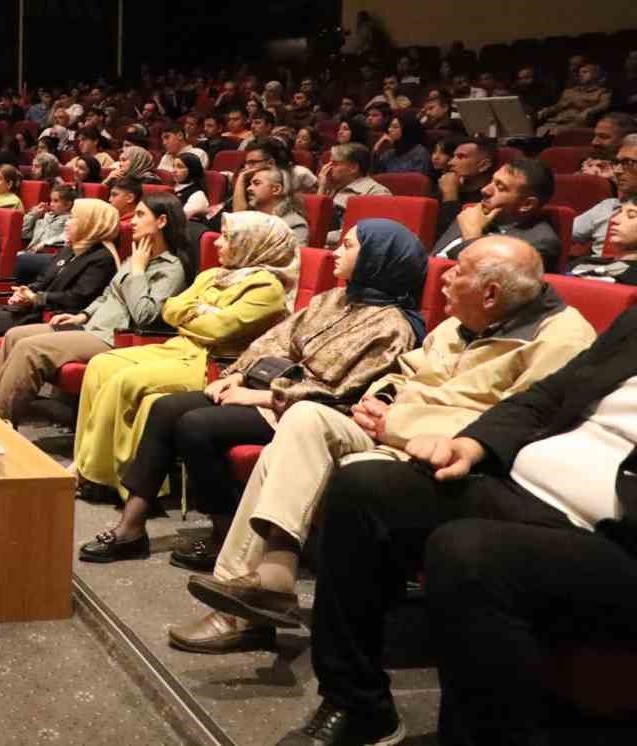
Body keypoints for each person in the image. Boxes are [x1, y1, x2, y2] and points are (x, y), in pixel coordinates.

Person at [173, 236, 596, 659]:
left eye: (458, 271)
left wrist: (397, 423)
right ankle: (272, 577)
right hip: (390, 428)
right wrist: (382, 399)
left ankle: (246, 613)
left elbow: (515, 425)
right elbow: (406, 372)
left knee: (328, 468)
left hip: (446, 455)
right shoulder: (461, 322)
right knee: (303, 419)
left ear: (490, 293)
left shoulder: (560, 341)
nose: (443, 277)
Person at [274, 306, 637, 746]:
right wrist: (472, 444)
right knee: (364, 487)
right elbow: (550, 394)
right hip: (523, 485)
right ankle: (357, 704)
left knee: (468, 551)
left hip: (612, 535)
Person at [91, 220, 426, 580]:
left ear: (377, 258)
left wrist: (258, 395)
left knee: (196, 426)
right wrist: (237, 373)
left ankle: (222, 533)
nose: (335, 253)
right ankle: (132, 525)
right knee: (166, 408)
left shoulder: (392, 326)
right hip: (269, 388)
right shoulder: (333, 299)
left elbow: (341, 391)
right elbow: (276, 340)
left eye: (348, 246)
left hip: (312, 411)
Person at [72, 211, 297, 504]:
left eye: (228, 237)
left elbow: (219, 330)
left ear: (252, 243)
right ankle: (86, 464)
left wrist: (195, 314)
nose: (217, 243)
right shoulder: (213, 275)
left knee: (126, 381)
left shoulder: (267, 288)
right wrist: (202, 314)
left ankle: (103, 477)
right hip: (179, 346)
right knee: (101, 364)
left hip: (214, 364)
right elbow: (170, 308)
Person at [0, 199, 120, 395]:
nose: (67, 222)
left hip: (55, 315)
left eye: (74, 218)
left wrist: (36, 297)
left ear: (91, 224)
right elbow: (43, 279)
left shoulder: (102, 258)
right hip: (34, 307)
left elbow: (78, 298)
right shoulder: (70, 249)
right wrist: (24, 291)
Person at [432, 158, 560, 270]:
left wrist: (472, 237)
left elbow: (487, 282)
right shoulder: (473, 213)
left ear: (526, 204)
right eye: (491, 181)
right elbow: (433, 259)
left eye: (500, 187)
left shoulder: (537, 243)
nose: (485, 190)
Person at [571, 134, 636, 260]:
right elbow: (562, 233)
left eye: (628, 163)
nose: (617, 171)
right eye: (617, 163)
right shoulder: (608, 207)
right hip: (596, 270)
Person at [318, 143, 391, 245]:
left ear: (353, 168)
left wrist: (316, 235)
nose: (328, 168)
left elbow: (364, 234)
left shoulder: (376, 192)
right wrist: (322, 187)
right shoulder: (332, 188)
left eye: (334, 164)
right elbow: (316, 221)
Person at [433, 137, 496, 238]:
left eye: (461, 157)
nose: (450, 162)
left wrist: (450, 196)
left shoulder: (491, 198)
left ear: (484, 165)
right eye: (453, 156)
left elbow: (450, 238)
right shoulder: (446, 185)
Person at [567, 196, 637, 285]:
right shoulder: (584, 261)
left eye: (631, 215)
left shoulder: (632, 277)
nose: (614, 220)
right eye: (619, 212)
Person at [16, 183, 75, 284]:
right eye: (51, 200)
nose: (51, 204)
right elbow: (23, 233)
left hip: (48, 255)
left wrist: (45, 243)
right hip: (30, 252)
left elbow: (66, 236)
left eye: (56, 201)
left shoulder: (70, 220)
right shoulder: (44, 218)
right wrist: (33, 215)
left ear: (68, 204)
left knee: (20, 259)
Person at [535, 62, 611, 134]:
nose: (580, 75)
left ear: (595, 74)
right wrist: (545, 111)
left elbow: (604, 104)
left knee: (556, 132)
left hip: (577, 123)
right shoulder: (569, 91)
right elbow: (557, 106)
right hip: (557, 121)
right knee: (538, 130)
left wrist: (589, 110)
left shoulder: (602, 92)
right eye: (579, 72)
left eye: (585, 72)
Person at [372, 109, 430, 175]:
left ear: (407, 129)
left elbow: (419, 179)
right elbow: (375, 175)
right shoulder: (389, 154)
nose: (389, 130)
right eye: (389, 126)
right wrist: (376, 147)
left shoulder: (420, 153)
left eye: (395, 127)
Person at [579, 112, 636, 178]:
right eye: (595, 136)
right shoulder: (587, 165)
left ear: (628, 139)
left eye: (603, 137)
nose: (594, 142)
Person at [169, 152, 209, 219]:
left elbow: (179, 220)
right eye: (173, 166)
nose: (174, 170)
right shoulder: (170, 186)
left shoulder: (197, 195)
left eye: (180, 167)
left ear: (192, 170)